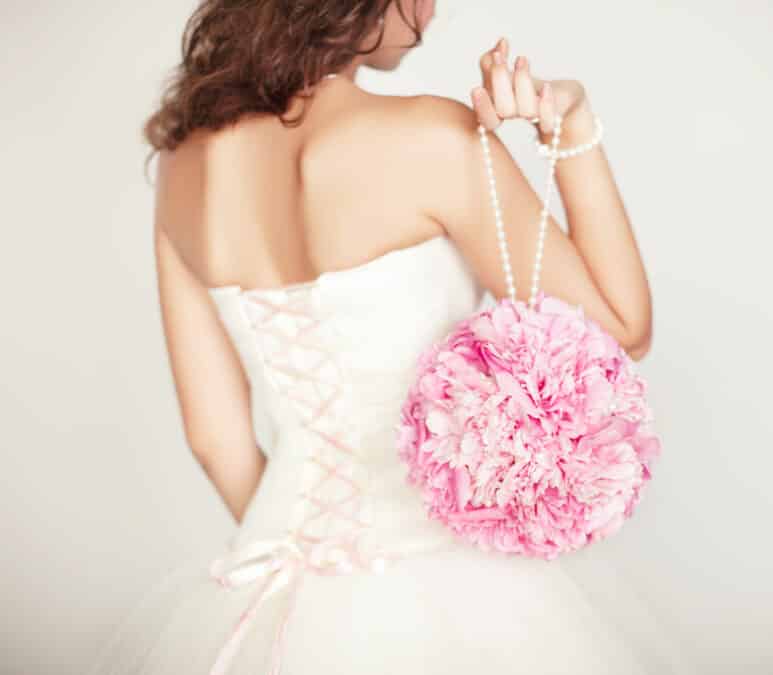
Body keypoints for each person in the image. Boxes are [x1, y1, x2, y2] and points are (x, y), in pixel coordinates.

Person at [86, 1, 666, 673]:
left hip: (275, 578)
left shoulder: (185, 167)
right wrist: (572, 119)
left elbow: (214, 439)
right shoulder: (433, 136)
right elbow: (623, 330)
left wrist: (319, 584)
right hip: (446, 570)